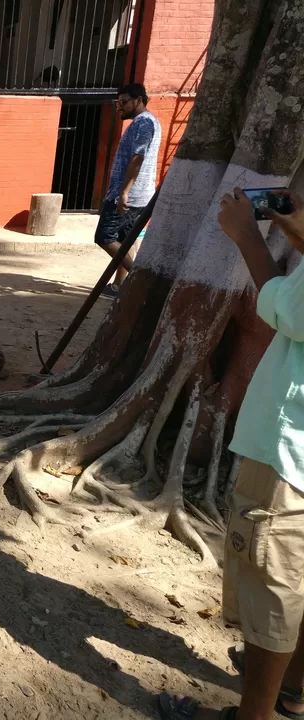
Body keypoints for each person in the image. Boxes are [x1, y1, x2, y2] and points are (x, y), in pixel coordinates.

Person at [158, 188, 304, 720]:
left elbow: (290, 310)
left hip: (292, 450)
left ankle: (254, 715)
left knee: (276, 579)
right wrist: (291, 228)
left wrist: (248, 237)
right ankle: (291, 689)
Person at [95, 82, 162, 297]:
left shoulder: (144, 123)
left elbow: (138, 157)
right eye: (118, 103)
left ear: (139, 100)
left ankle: (136, 279)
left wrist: (124, 192)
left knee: (104, 237)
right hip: (139, 194)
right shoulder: (149, 122)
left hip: (129, 195)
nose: (120, 107)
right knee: (125, 240)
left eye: (123, 102)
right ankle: (118, 287)